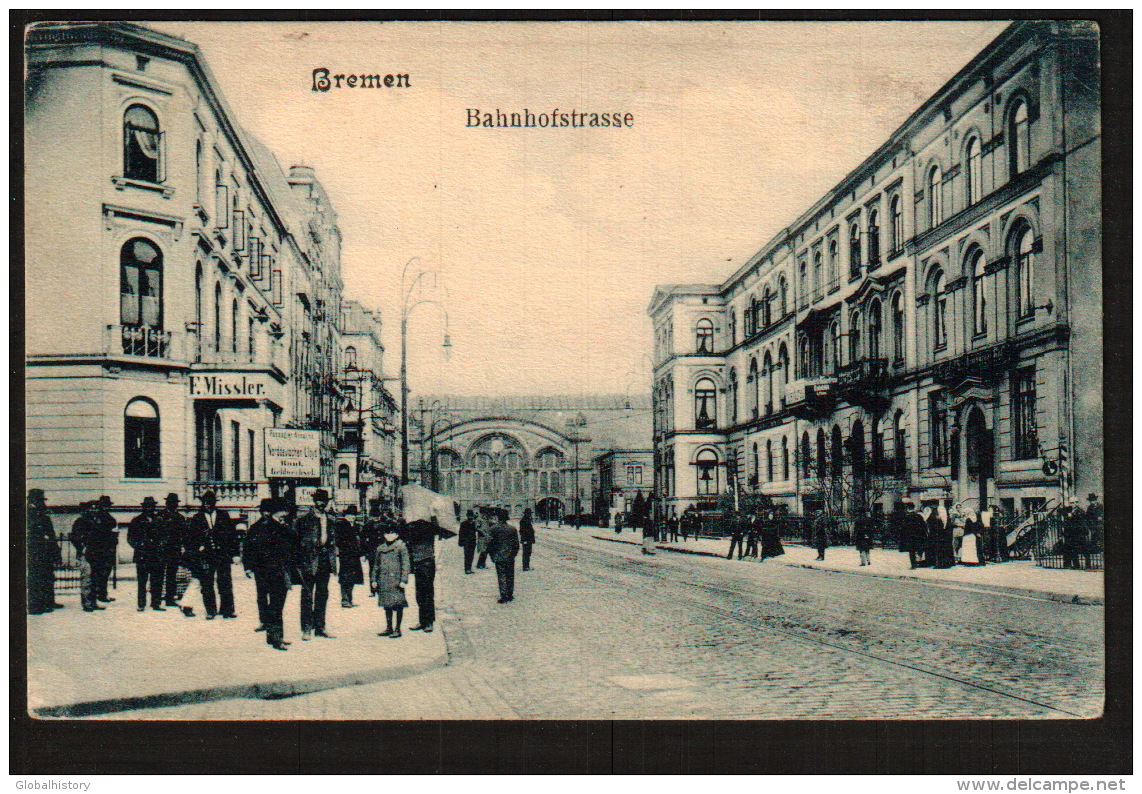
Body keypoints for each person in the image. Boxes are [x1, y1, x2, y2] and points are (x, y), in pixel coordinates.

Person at [243, 498, 296, 651]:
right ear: (276, 512)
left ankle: (274, 636)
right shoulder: (266, 527)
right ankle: (276, 638)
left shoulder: (280, 526)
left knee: (277, 605)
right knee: (276, 605)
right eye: (283, 511)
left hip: (279, 570)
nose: (285, 514)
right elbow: (255, 549)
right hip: (271, 572)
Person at [185, 490, 239, 619]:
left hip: (223, 555)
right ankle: (211, 611)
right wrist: (198, 549)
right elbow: (191, 538)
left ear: (214, 503)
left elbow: (233, 536)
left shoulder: (223, 515)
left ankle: (227, 610)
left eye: (210, 502)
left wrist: (235, 554)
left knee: (225, 583)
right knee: (207, 584)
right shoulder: (197, 518)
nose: (207, 505)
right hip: (206, 556)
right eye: (205, 502)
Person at [295, 489, 338, 639]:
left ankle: (320, 627)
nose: (321, 504)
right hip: (308, 562)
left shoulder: (331, 519)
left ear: (327, 502)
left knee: (322, 595)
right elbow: (296, 543)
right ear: (314, 501)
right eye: (318, 500)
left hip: (325, 561)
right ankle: (306, 628)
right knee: (307, 596)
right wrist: (298, 563)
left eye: (324, 501)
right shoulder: (303, 519)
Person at [403, 514, 447, 632]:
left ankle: (429, 622)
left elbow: (438, 530)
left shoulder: (429, 525)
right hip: (417, 562)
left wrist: (433, 515)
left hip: (427, 562)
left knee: (427, 593)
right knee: (419, 594)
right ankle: (422, 621)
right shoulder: (410, 525)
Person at [126, 496, 166, 611]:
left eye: (151, 506)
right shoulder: (136, 520)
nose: (149, 508)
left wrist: (161, 544)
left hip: (157, 555)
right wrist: (140, 546)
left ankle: (156, 603)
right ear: (143, 507)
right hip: (142, 555)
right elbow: (130, 538)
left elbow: (165, 535)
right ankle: (141, 604)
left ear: (154, 507)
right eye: (147, 506)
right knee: (142, 582)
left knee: (157, 581)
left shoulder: (159, 520)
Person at [27, 489, 62, 615]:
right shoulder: (28, 515)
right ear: (32, 501)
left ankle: (48, 602)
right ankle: (35, 605)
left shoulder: (43, 516)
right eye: (39, 501)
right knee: (36, 579)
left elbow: (51, 537)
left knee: (48, 577)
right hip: (35, 554)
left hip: (46, 553)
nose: (42, 503)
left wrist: (56, 553)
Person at [372, 523, 410, 638]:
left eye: (392, 533)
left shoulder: (401, 547)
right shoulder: (380, 548)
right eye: (387, 533)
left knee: (398, 604)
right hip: (384, 580)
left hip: (396, 581)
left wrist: (404, 580)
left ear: (397, 534)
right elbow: (376, 566)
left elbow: (406, 564)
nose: (389, 536)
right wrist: (373, 579)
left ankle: (397, 629)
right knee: (386, 604)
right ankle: (389, 628)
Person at [70, 502, 103, 612]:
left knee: (95, 579)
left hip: (96, 554)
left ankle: (93, 602)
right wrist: (81, 547)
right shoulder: (80, 522)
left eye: (95, 509)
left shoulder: (96, 521)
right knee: (87, 579)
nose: (93, 511)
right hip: (86, 554)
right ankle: (87, 603)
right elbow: (74, 537)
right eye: (91, 509)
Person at [157, 493, 188, 607]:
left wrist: (184, 548)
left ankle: (170, 599)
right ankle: (157, 600)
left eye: (175, 503)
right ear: (166, 503)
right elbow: (155, 533)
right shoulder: (159, 516)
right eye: (170, 503)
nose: (173, 505)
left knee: (171, 576)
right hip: (161, 551)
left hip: (174, 551)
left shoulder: (180, 518)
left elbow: (184, 535)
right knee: (159, 576)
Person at [87, 496, 120, 604]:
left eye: (108, 506)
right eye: (104, 506)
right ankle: (98, 595)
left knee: (105, 573)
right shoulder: (97, 518)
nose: (106, 508)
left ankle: (102, 594)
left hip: (108, 550)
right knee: (98, 573)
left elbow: (113, 525)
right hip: (98, 550)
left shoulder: (107, 517)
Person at [487, 508, 521, 603]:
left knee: (501, 575)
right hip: (510, 556)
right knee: (510, 575)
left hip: (499, 556)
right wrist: (513, 554)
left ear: (498, 517)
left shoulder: (493, 529)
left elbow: (489, 544)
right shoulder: (512, 529)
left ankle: (504, 596)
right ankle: (510, 595)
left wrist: (492, 555)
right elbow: (516, 545)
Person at [336, 505, 365, 607]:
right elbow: (339, 541)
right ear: (346, 515)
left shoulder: (356, 526)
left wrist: (361, 553)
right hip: (346, 556)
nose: (353, 517)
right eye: (350, 515)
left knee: (353, 578)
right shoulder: (341, 525)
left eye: (354, 515)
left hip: (355, 556)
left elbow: (359, 541)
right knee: (345, 578)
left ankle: (349, 599)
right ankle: (344, 600)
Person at [897, 502, 927, 569]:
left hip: (910, 537)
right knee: (919, 550)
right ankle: (918, 562)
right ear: (913, 508)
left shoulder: (906, 517)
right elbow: (924, 526)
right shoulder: (918, 516)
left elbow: (903, 528)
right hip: (918, 536)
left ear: (907, 508)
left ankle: (913, 565)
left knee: (911, 551)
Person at [458, 509, 479, 574]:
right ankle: (467, 569)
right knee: (467, 555)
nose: (470, 517)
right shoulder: (463, 524)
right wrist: (461, 542)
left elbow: (477, 530)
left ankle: (469, 568)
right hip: (466, 541)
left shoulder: (474, 523)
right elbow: (461, 533)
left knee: (471, 555)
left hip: (472, 541)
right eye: (469, 516)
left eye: (471, 516)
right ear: (467, 516)